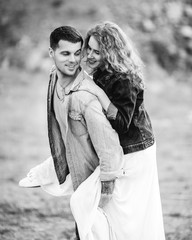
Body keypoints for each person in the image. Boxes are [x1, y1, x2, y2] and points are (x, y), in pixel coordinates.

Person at [19, 22, 166, 240]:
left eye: (97, 51)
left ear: (111, 53)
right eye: (89, 48)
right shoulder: (101, 72)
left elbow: (122, 124)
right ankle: (54, 166)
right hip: (118, 146)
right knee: (112, 209)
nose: (90, 55)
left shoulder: (124, 80)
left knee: (129, 213)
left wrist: (99, 94)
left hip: (135, 151)